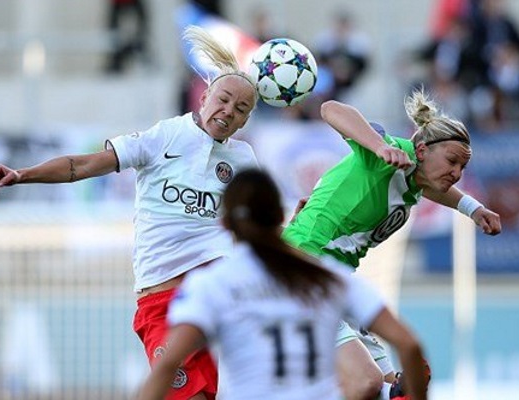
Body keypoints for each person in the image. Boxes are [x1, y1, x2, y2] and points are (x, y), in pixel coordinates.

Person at [0, 25, 259, 400]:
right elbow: (85, 165)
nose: (228, 112)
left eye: (240, 109)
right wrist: (22, 175)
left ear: (245, 121)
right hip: (162, 302)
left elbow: (258, 228)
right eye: (223, 100)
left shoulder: (243, 160)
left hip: (213, 301)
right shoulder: (166, 137)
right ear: (204, 96)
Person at [283, 90, 502, 400]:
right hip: (304, 263)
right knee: (366, 382)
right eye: (452, 161)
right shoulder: (386, 156)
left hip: (338, 280)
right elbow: (331, 109)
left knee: (392, 389)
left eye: (462, 168)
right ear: (422, 150)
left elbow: (434, 188)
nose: (456, 173)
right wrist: (378, 145)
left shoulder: (414, 183)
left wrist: (473, 209)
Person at [138, 168, 429, 400]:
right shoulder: (327, 277)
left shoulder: (212, 285)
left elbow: (167, 365)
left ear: (224, 224)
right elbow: (409, 344)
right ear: (280, 215)